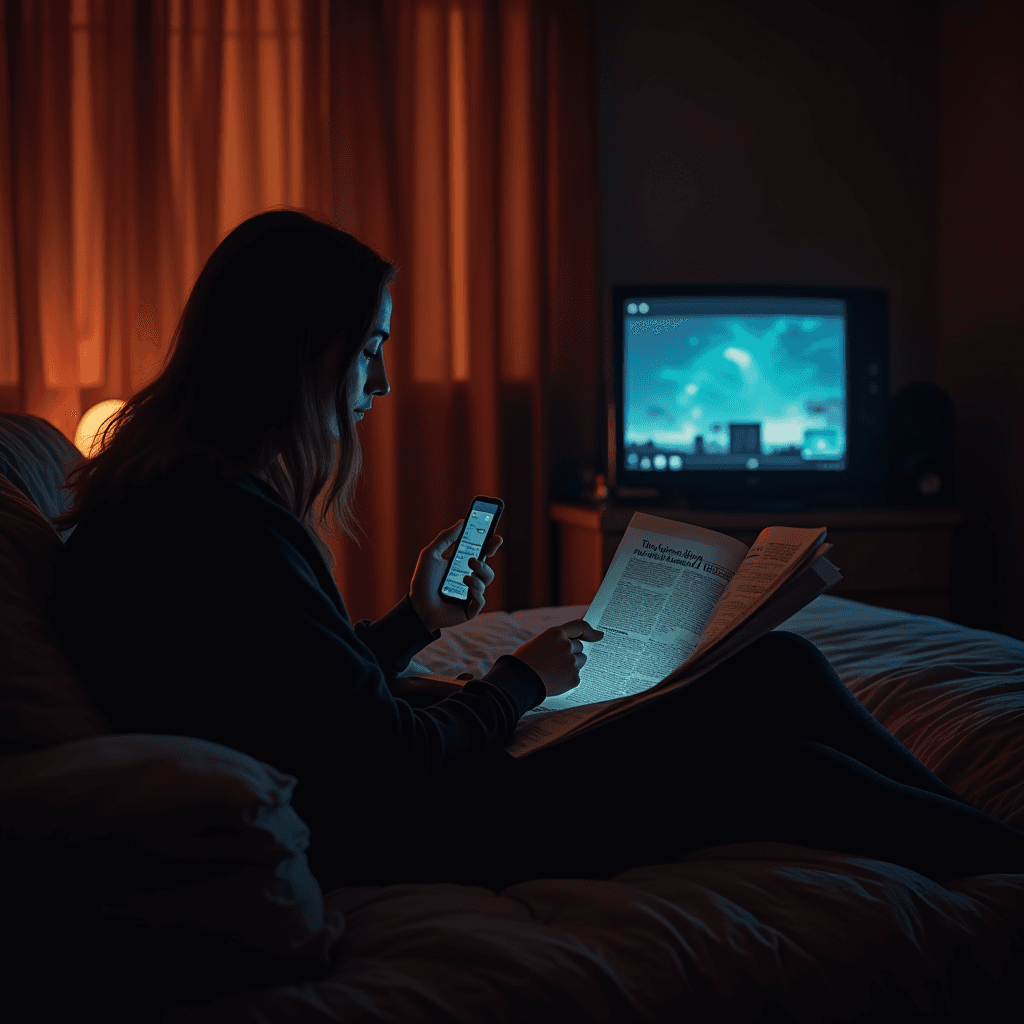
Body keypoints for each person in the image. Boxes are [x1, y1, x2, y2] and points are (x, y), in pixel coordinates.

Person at [51, 210, 1024, 895]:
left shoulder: (179, 500)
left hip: (384, 799)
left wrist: (412, 624)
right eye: (369, 350)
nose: (382, 383)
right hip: (415, 827)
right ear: (301, 355)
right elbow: (390, 750)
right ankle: (1002, 863)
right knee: (780, 740)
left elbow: (304, 693)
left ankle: (995, 845)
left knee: (774, 675)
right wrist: (518, 677)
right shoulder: (211, 523)